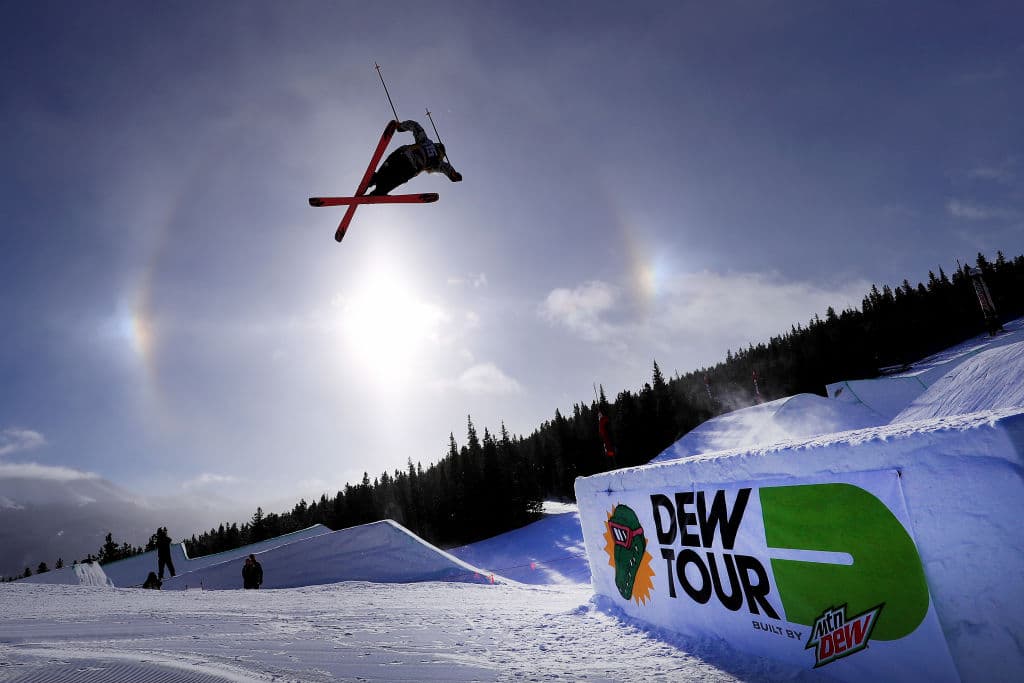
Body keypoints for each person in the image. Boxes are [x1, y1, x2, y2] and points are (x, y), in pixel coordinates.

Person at [367, 119, 462, 196]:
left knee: (387, 170)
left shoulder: (426, 141)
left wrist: (401, 126)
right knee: (394, 180)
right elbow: (446, 167)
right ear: (442, 153)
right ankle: (379, 191)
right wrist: (452, 175)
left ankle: (375, 179)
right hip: (411, 167)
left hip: (402, 154)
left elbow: (416, 126)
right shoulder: (437, 161)